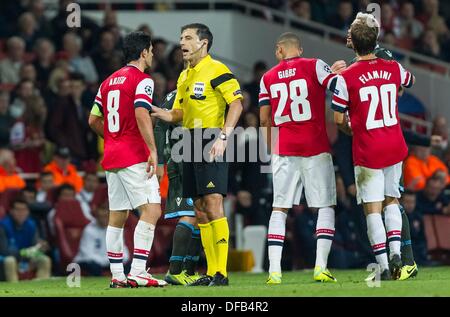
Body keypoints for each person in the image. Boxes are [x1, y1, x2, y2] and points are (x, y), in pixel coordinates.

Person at [330, 12, 432, 281]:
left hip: (368, 149)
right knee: (392, 201)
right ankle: (397, 253)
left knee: (371, 208)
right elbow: (409, 81)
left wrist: (350, 129)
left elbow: (338, 119)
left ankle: (384, 267)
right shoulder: (394, 67)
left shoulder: (345, 78)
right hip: (394, 145)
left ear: (355, 42)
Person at [151, 23, 243, 286]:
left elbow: (236, 103)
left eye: (188, 38)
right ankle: (212, 271)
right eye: (181, 37)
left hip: (211, 138)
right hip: (188, 141)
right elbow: (178, 113)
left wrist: (224, 137)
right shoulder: (185, 76)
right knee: (200, 210)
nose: (182, 42)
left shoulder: (217, 69)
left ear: (203, 43)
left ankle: (221, 273)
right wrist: (161, 113)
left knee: (213, 203)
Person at [88, 31, 167, 288]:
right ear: (143, 52)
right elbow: (142, 113)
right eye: (152, 50)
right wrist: (153, 150)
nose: (153, 55)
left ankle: (117, 276)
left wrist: (113, 137)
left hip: (112, 156)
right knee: (152, 209)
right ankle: (139, 271)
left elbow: (92, 120)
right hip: (134, 154)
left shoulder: (107, 82)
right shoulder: (143, 80)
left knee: (117, 216)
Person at [259, 32, 337, 284]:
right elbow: (339, 89)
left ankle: (274, 271)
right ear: (299, 50)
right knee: (324, 205)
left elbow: (263, 119)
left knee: (279, 208)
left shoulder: (267, 77)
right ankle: (320, 267)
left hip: (284, 149)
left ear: (279, 49)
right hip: (315, 146)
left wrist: (271, 148)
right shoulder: (315, 65)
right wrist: (336, 72)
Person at [154, 90, 203, 285]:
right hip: (183, 158)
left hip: (199, 157)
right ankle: (174, 271)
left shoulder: (204, 88)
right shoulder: (178, 93)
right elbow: (160, 127)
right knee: (190, 213)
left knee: (201, 215)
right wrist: (159, 162)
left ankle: (189, 271)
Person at [0, 199, 51, 282]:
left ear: (28, 211)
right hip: (6, 260)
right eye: (18, 210)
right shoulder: (3, 226)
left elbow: (34, 247)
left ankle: (41, 290)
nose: (21, 213)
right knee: (10, 261)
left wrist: (41, 248)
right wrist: (25, 253)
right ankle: (13, 291)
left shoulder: (31, 225)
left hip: (25, 259)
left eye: (24, 210)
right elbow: (4, 251)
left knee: (44, 260)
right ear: (11, 211)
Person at [74, 201, 129, 276]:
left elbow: (124, 252)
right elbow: (88, 254)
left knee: (128, 265)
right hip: (88, 261)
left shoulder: (116, 229)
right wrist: (109, 261)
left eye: (107, 212)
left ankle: (124, 284)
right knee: (94, 266)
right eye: (102, 211)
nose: (105, 215)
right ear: (96, 213)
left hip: (108, 262)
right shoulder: (89, 230)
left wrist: (118, 261)